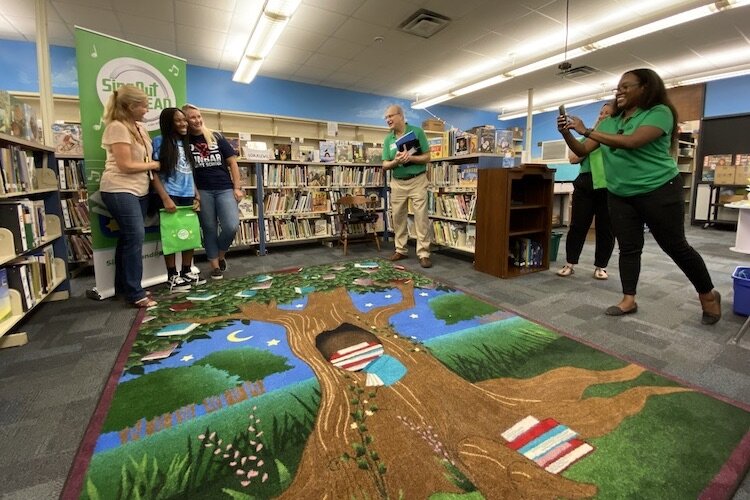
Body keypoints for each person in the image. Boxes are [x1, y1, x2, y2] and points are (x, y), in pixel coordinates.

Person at [558, 68, 721, 324]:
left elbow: (633, 141)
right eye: (618, 88)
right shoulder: (611, 120)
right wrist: (567, 132)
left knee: (675, 246)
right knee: (629, 247)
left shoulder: (659, 112)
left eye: (626, 86)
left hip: (659, 189)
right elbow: (582, 149)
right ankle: (628, 299)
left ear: (645, 87)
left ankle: (708, 294)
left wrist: (587, 130)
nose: (619, 91)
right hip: (620, 193)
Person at [99, 84, 161, 308]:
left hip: (141, 189)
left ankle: (123, 288)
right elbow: (125, 165)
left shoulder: (140, 128)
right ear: (131, 106)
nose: (147, 110)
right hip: (119, 188)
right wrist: (155, 164)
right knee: (135, 236)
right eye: (144, 106)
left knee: (128, 238)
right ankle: (136, 293)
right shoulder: (117, 127)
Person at [181, 104, 241, 280]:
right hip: (202, 191)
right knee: (208, 228)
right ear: (185, 120)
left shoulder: (216, 136)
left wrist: (237, 187)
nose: (197, 120)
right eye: (192, 117)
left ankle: (221, 254)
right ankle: (214, 265)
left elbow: (233, 163)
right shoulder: (184, 141)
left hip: (224, 188)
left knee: (231, 226)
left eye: (199, 116)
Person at [557, 102, 615, 280]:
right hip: (585, 183)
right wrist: (591, 138)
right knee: (577, 226)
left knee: (606, 229)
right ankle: (570, 263)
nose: (602, 116)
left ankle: (601, 267)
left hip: (607, 186)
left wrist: (598, 138)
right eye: (600, 113)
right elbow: (573, 158)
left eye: (607, 114)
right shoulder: (587, 137)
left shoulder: (613, 140)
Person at [151, 107, 206, 291]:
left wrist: (196, 192)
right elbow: (155, 174)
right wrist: (165, 198)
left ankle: (186, 270)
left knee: (189, 232)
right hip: (170, 194)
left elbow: (190, 172)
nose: (184, 124)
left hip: (188, 194)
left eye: (184, 120)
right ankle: (172, 275)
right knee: (173, 234)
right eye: (178, 121)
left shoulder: (186, 142)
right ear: (169, 123)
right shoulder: (159, 142)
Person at [381, 104, 433, 268]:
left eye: (390, 116)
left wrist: (410, 158)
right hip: (397, 182)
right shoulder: (388, 139)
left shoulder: (417, 132)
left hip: (417, 180)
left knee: (421, 217)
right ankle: (401, 250)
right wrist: (396, 161)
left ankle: (423, 253)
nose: (388, 119)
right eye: (386, 117)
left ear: (401, 116)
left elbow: (427, 157)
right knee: (398, 217)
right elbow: (384, 164)